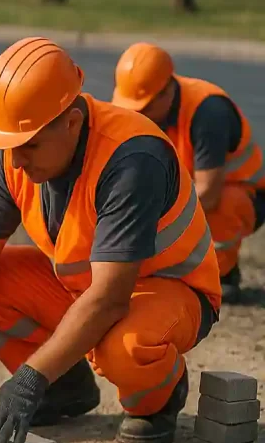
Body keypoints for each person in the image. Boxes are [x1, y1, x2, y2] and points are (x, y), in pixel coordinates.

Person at [0, 37, 221, 443]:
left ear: (72, 122)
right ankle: (66, 387)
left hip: (168, 292)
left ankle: (159, 397)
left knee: (124, 347)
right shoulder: (16, 152)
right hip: (89, 288)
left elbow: (111, 300)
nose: (17, 161)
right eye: (10, 147)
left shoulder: (131, 159)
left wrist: (28, 379)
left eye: (29, 146)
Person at [112, 42, 264, 303]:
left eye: (143, 108)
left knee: (225, 206)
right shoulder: (141, 110)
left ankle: (222, 275)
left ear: (166, 92)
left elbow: (208, 194)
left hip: (243, 194)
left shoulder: (208, 112)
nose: (137, 116)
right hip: (182, 187)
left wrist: (150, 224)